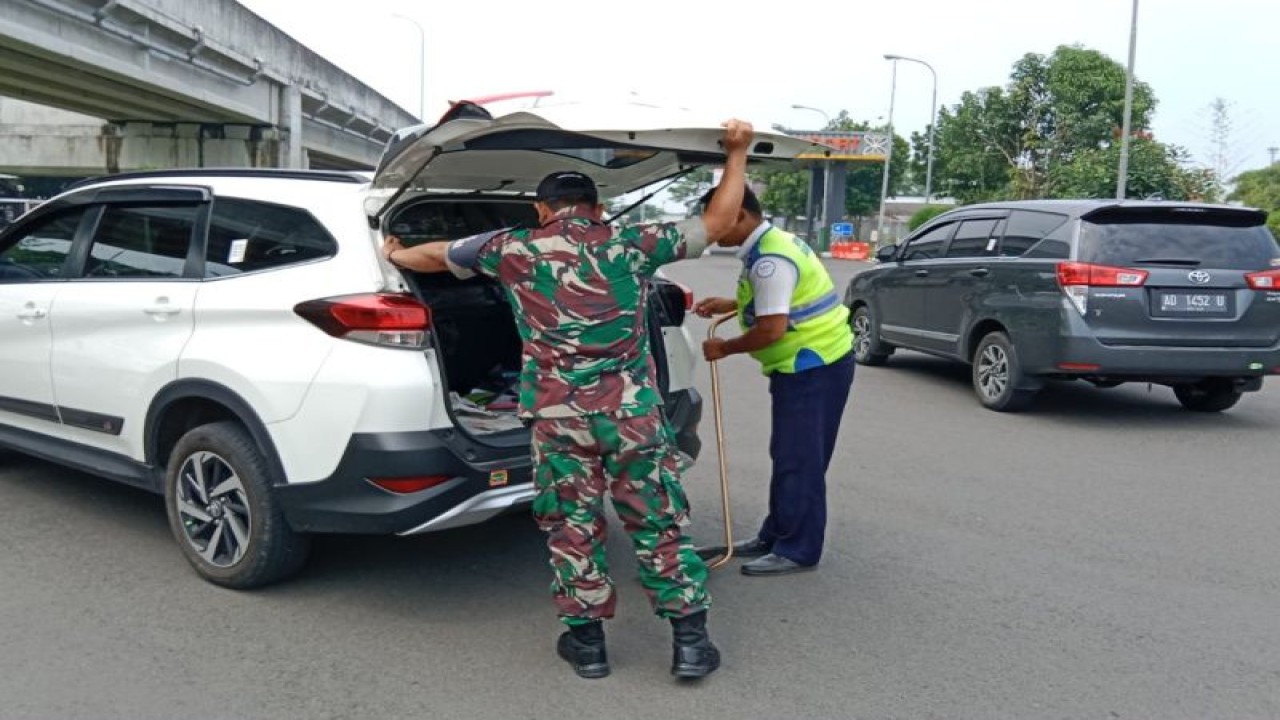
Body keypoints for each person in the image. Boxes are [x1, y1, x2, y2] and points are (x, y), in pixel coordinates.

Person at [381, 120, 757, 680]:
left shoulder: (512, 248)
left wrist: (395, 250)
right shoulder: (633, 243)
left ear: (542, 210)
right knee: (657, 522)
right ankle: (691, 644)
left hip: (559, 420)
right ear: (597, 208)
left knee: (572, 525)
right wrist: (737, 154)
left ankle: (588, 648)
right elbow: (721, 221)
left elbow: (435, 256)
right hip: (632, 416)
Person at [693, 186, 855, 577]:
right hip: (809, 364)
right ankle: (776, 533)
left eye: (717, 220)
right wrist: (731, 304)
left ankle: (798, 549)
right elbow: (776, 299)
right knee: (788, 455)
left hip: (812, 364)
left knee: (800, 459)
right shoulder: (770, 244)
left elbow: (771, 330)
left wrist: (725, 348)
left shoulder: (770, 260)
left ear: (741, 215)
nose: (712, 231)